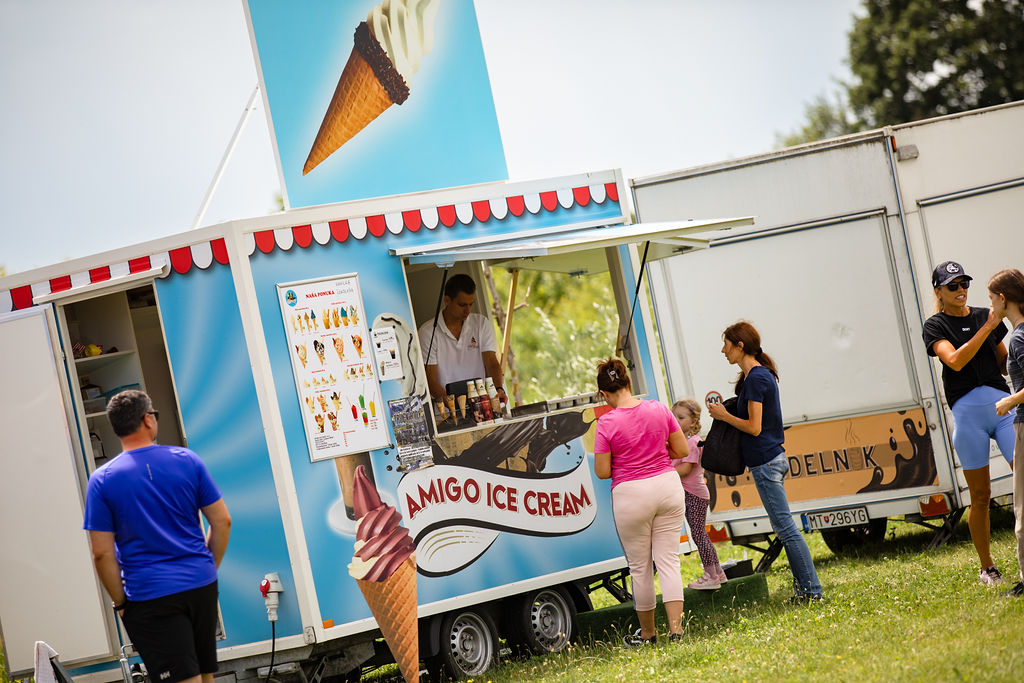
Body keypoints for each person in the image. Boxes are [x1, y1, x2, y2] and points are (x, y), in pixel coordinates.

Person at [84, 390, 231, 683]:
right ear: (147, 420)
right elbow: (222, 521)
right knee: (204, 675)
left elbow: (102, 553)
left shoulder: (102, 480)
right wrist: (205, 568)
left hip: (151, 593)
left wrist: (121, 603)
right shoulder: (188, 460)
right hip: (200, 585)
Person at [707, 321, 823, 602]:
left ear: (740, 345)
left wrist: (724, 416)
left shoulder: (757, 378)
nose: (723, 351)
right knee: (785, 530)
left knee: (787, 531)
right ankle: (805, 590)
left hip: (766, 463)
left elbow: (754, 427)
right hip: (768, 461)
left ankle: (811, 592)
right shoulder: (753, 378)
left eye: (726, 344)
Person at [922, 261, 1014, 585]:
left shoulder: (983, 316)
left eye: (964, 284)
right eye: (953, 286)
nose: (961, 291)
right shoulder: (935, 325)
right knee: (980, 496)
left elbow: (1005, 363)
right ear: (939, 292)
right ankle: (987, 567)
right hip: (967, 416)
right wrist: (988, 327)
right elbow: (955, 361)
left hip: (1003, 408)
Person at [592, 358, 688, 645]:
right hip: (667, 488)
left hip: (631, 496)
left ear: (604, 394)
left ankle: (648, 634)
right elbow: (682, 448)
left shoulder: (606, 422)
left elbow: (602, 471)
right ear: (629, 383)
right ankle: (677, 632)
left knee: (640, 568)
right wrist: (657, 451)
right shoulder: (658, 408)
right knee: (669, 562)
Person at [989, 268, 1024, 598]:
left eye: (990, 298)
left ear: (1003, 298)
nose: (990, 306)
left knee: (1022, 507)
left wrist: (1010, 401)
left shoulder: (1019, 337)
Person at [418, 273, 506, 404]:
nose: (468, 310)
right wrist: (456, 407)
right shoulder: (427, 332)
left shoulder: (481, 323)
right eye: (462, 305)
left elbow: (492, 362)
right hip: (446, 415)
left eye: (471, 304)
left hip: (481, 407)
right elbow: (430, 380)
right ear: (447, 300)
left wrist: (499, 388)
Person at [671, 399, 727, 590]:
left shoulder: (692, 443)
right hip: (693, 493)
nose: (676, 420)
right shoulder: (684, 441)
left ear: (693, 422)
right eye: (674, 416)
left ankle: (711, 575)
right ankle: (718, 572)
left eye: (681, 417)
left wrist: (664, 472)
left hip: (693, 494)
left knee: (699, 535)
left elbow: (685, 469)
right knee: (701, 534)